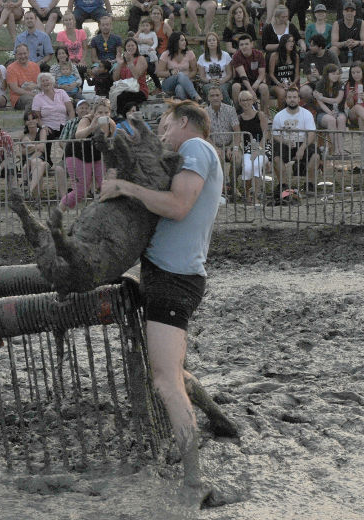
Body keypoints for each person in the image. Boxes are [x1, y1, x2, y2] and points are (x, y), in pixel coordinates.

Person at [99, 100, 231, 506]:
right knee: (171, 369)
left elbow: (178, 206)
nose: (161, 133)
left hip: (175, 280)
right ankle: (221, 422)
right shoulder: (188, 154)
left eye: (165, 124)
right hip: (164, 274)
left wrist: (123, 187)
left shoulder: (197, 149)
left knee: (165, 380)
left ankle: (196, 481)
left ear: (186, 122)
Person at [60, 97, 115, 211]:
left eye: (106, 112)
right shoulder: (86, 120)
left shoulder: (111, 123)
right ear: (93, 112)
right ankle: (58, 213)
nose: (103, 115)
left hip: (97, 155)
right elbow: (78, 135)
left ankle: (105, 214)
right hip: (77, 154)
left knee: (106, 186)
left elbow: (113, 140)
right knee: (80, 192)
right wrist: (91, 128)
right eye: (99, 112)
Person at [272, 87, 319, 191]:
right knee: (276, 158)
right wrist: (285, 141)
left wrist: (302, 148)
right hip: (285, 142)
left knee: (315, 156)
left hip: (303, 142)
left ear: (299, 99)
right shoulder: (279, 116)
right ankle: (282, 185)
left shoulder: (307, 114)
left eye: (294, 97)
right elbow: (275, 134)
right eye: (289, 97)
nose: (292, 99)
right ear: (285, 99)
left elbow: (311, 134)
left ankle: (309, 184)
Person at [31, 72, 74, 169]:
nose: (45, 83)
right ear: (39, 84)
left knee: (70, 136)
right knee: (46, 133)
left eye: (47, 80)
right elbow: (36, 117)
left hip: (63, 124)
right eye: (43, 81)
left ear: (52, 81)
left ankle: (66, 161)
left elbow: (70, 110)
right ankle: (46, 161)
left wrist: (70, 124)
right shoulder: (38, 97)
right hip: (47, 125)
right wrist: (43, 126)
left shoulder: (61, 93)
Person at [237, 90, 270, 205]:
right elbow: (238, 136)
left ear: (252, 101)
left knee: (256, 165)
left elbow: (266, 133)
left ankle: (256, 196)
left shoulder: (259, 115)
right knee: (246, 168)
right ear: (239, 102)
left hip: (262, 147)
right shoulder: (239, 118)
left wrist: (259, 150)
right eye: (242, 100)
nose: (245, 102)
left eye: (248, 99)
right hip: (247, 148)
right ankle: (247, 194)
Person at [206, 87, 240, 192]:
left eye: (217, 95)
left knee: (238, 160)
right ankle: (220, 189)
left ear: (221, 96)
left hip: (230, 144)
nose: (215, 98)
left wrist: (233, 148)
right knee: (216, 161)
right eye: (212, 95)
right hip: (214, 145)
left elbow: (237, 131)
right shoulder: (204, 112)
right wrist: (215, 148)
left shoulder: (230, 110)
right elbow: (205, 135)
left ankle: (233, 187)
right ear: (208, 98)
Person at [331, 1, 364, 76]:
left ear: (355, 13)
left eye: (352, 11)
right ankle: (335, 77)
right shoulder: (337, 24)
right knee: (333, 50)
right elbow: (333, 42)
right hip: (343, 51)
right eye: (347, 11)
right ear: (343, 12)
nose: (349, 13)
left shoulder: (361, 22)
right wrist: (344, 43)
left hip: (357, 50)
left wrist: (357, 42)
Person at [157, 32, 202, 102]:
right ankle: (197, 97)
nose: (185, 42)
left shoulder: (189, 53)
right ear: (175, 42)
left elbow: (194, 70)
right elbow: (159, 73)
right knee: (180, 74)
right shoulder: (166, 54)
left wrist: (184, 78)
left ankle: (183, 108)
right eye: (182, 40)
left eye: (185, 40)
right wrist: (170, 72)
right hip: (169, 84)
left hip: (185, 82)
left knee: (179, 88)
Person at [314, 63, 346, 156]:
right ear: (327, 74)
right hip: (323, 113)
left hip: (339, 110)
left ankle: (341, 148)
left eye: (337, 74)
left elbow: (337, 100)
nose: (336, 76)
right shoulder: (320, 84)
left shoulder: (340, 84)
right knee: (331, 120)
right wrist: (329, 112)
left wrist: (322, 98)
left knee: (341, 119)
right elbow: (320, 104)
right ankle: (335, 148)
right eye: (333, 74)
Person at [231, 34, 269, 113]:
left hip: (256, 81)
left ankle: (263, 114)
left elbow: (262, 74)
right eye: (241, 45)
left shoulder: (259, 54)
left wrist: (255, 85)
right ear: (239, 46)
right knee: (235, 87)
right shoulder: (236, 56)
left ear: (252, 44)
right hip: (241, 82)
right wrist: (251, 90)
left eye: (246, 44)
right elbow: (243, 76)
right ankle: (238, 113)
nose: (244, 46)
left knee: (264, 87)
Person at [300, 34, 341, 106]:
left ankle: (326, 109)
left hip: (330, 84)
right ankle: (314, 108)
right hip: (314, 84)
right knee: (304, 91)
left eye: (312, 46)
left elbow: (338, 77)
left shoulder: (331, 55)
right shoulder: (308, 55)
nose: (309, 47)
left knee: (327, 92)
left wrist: (319, 77)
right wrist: (314, 77)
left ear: (320, 47)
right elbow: (309, 78)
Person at [18, 110, 49, 201]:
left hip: (39, 159)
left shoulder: (42, 131)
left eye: (33, 118)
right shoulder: (23, 135)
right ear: (25, 122)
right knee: (37, 166)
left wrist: (30, 148)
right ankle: (36, 200)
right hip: (28, 161)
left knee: (36, 162)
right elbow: (21, 152)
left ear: (37, 120)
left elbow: (42, 148)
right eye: (28, 119)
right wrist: (36, 147)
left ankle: (30, 190)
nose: (31, 121)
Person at [114, 38, 150, 109]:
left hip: (139, 90)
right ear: (125, 48)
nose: (130, 47)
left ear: (136, 47)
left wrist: (130, 61)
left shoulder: (141, 59)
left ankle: (123, 117)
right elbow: (115, 79)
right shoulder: (123, 62)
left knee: (122, 97)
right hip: (126, 90)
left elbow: (136, 76)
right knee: (117, 95)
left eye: (132, 45)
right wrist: (119, 64)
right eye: (128, 46)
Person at [197, 32, 232, 103]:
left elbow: (229, 74)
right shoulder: (202, 57)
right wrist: (210, 81)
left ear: (217, 42)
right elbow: (202, 77)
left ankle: (229, 110)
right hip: (208, 83)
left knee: (221, 90)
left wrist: (222, 81)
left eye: (214, 40)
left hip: (224, 82)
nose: (211, 42)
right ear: (206, 43)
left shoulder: (225, 55)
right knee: (210, 90)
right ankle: (210, 111)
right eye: (209, 41)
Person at [7, 43, 41, 112]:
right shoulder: (11, 68)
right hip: (18, 97)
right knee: (32, 101)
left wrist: (36, 87)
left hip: (35, 93)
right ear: (16, 55)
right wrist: (33, 94)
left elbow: (40, 84)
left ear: (28, 53)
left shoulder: (35, 66)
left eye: (25, 53)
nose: (23, 56)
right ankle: (30, 121)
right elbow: (15, 89)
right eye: (20, 54)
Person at [57, 11, 89, 80]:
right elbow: (61, 52)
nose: (68, 22)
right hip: (67, 61)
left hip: (80, 60)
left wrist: (82, 61)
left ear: (74, 21)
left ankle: (79, 89)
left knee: (81, 68)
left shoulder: (81, 32)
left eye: (70, 19)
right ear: (64, 22)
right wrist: (70, 62)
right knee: (69, 70)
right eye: (66, 20)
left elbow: (85, 49)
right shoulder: (60, 35)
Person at [269, 34, 299, 108]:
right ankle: (281, 115)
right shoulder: (275, 56)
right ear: (283, 43)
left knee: (295, 93)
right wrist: (279, 83)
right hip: (276, 85)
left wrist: (293, 83)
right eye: (289, 41)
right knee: (282, 92)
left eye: (293, 41)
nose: (292, 43)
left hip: (291, 84)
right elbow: (271, 74)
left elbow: (297, 75)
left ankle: (294, 114)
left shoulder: (295, 56)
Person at [136, 17, 160, 92]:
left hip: (150, 50)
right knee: (144, 63)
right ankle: (141, 86)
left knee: (153, 54)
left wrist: (152, 47)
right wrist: (139, 50)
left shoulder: (152, 34)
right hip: (142, 52)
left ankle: (157, 67)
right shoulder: (141, 35)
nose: (145, 27)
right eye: (143, 26)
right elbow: (138, 44)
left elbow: (155, 43)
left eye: (147, 25)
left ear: (151, 26)